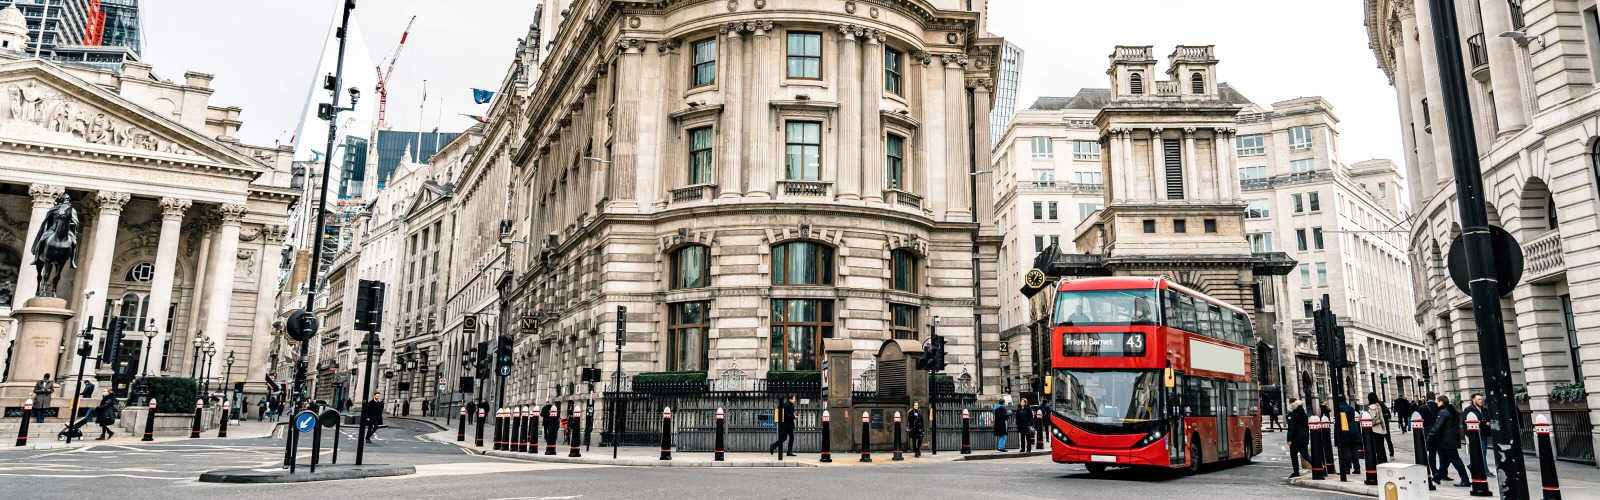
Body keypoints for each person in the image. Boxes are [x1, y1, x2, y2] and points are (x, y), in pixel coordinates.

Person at [1429, 395, 1469, 487]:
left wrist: (1430, 436)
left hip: (1446, 440)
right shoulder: (1452, 411)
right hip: (1452, 439)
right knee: (1445, 461)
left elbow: (1437, 426)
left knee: (1456, 460)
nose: (1437, 403)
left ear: (1441, 402)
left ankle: (1465, 479)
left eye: (1438, 402)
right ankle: (1437, 477)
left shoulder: (1443, 412)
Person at [1464, 393, 1494, 477]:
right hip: (1476, 434)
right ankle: (1486, 471)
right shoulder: (1469, 410)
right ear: (1474, 400)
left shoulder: (1484, 410)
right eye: (1479, 399)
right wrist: (1469, 435)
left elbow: (1488, 419)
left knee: (1483, 452)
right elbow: (1464, 423)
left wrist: (1488, 423)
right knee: (1482, 452)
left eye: (1481, 399)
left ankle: (1472, 465)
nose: (1481, 401)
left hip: (1484, 433)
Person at [1335, 396, 1362, 479]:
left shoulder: (1339, 408)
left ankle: (1347, 469)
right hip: (1353, 428)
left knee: (1346, 450)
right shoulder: (1351, 408)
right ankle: (1357, 468)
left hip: (1345, 429)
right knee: (1354, 450)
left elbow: (1340, 421)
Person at [1286, 399, 1311, 478]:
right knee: (1305, 455)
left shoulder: (1292, 415)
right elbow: (1307, 427)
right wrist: (1307, 438)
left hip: (1295, 438)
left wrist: (1289, 439)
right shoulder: (1304, 414)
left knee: (1294, 455)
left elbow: (1291, 428)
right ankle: (1318, 467)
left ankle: (1296, 472)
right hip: (1304, 437)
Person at [1366, 392, 1389, 463]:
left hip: (1375, 429)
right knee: (1381, 446)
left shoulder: (1372, 407)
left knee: (1377, 447)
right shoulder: (1378, 405)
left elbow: (1372, 419)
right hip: (1381, 429)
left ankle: (1380, 461)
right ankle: (1384, 460)